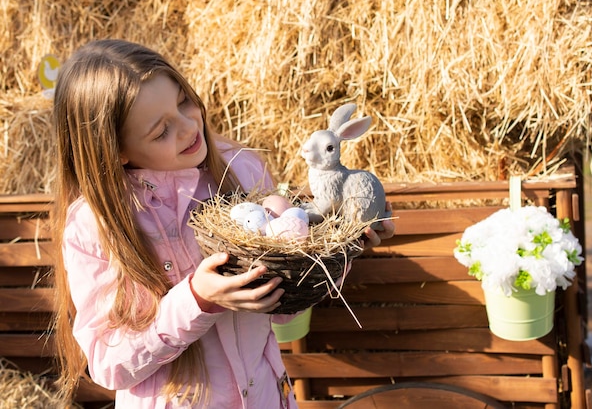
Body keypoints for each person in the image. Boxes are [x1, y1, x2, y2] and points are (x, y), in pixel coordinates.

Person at [51, 39, 395, 409]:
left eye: (184, 101)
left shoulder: (238, 169)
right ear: (116, 150)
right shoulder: (96, 224)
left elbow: (283, 313)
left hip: (264, 397)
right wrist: (197, 298)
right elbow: (108, 366)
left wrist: (335, 249)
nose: (188, 127)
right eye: (160, 131)